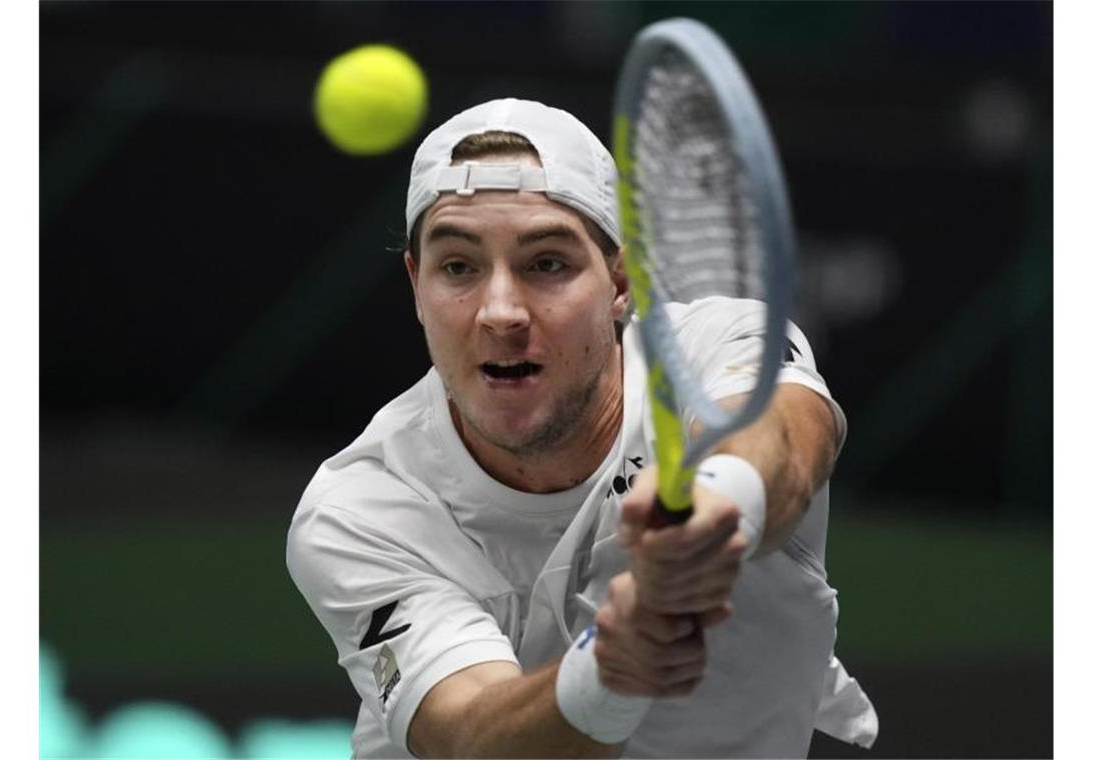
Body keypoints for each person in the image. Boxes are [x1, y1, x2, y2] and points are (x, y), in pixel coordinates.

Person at [287, 98, 877, 758]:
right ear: (415, 285)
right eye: (458, 267)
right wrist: (608, 673)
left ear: (620, 281)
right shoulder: (361, 506)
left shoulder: (713, 347)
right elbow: (469, 739)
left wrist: (715, 513)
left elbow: (791, 440)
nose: (500, 312)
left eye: (546, 264)